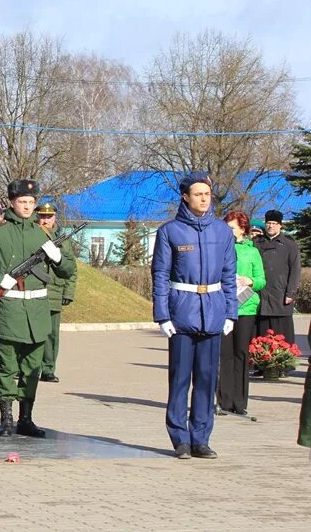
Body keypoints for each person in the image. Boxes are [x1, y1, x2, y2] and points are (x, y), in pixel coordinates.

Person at [0, 181, 75, 439]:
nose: (27, 207)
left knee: (33, 367)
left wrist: (58, 258)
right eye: (22, 202)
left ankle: (26, 418)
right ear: (11, 203)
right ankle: (6, 419)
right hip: (10, 308)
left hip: (38, 310)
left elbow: (68, 270)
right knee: (7, 366)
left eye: (31, 202)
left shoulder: (44, 234)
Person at [151, 173, 237, 459]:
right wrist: (163, 315)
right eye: (197, 194)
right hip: (181, 314)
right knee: (179, 379)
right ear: (185, 197)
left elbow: (229, 274)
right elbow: (161, 275)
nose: (203, 198)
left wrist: (230, 313)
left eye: (207, 194)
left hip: (213, 312)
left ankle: (201, 438)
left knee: (206, 378)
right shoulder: (170, 231)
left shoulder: (222, 232)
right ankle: (180, 438)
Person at [216, 210, 265, 418]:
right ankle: (224, 400)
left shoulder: (252, 252)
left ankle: (240, 401)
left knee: (241, 354)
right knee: (224, 354)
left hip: (246, 307)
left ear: (242, 229)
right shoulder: (219, 249)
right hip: (224, 307)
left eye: (232, 228)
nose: (229, 232)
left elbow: (262, 280)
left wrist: (250, 281)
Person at [36, 202, 77, 383]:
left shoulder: (63, 239)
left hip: (54, 290)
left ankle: (48, 368)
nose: (46, 220)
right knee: (32, 332)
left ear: (54, 217)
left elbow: (71, 267)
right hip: (34, 290)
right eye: (43, 216)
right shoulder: (31, 234)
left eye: (49, 216)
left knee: (51, 334)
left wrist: (68, 292)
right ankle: (29, 368)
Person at [254, 209, 301, 345]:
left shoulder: (289, 245)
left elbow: (295, 270)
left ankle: (282, 363)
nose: (271, 226)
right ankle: (261, 361)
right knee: (262, 333)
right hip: (262, 294)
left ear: (280, 225)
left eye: (274, 223)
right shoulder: (257, 243)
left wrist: (290, 293)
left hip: (281, 295)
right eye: (269, 223)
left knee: (281, 333)